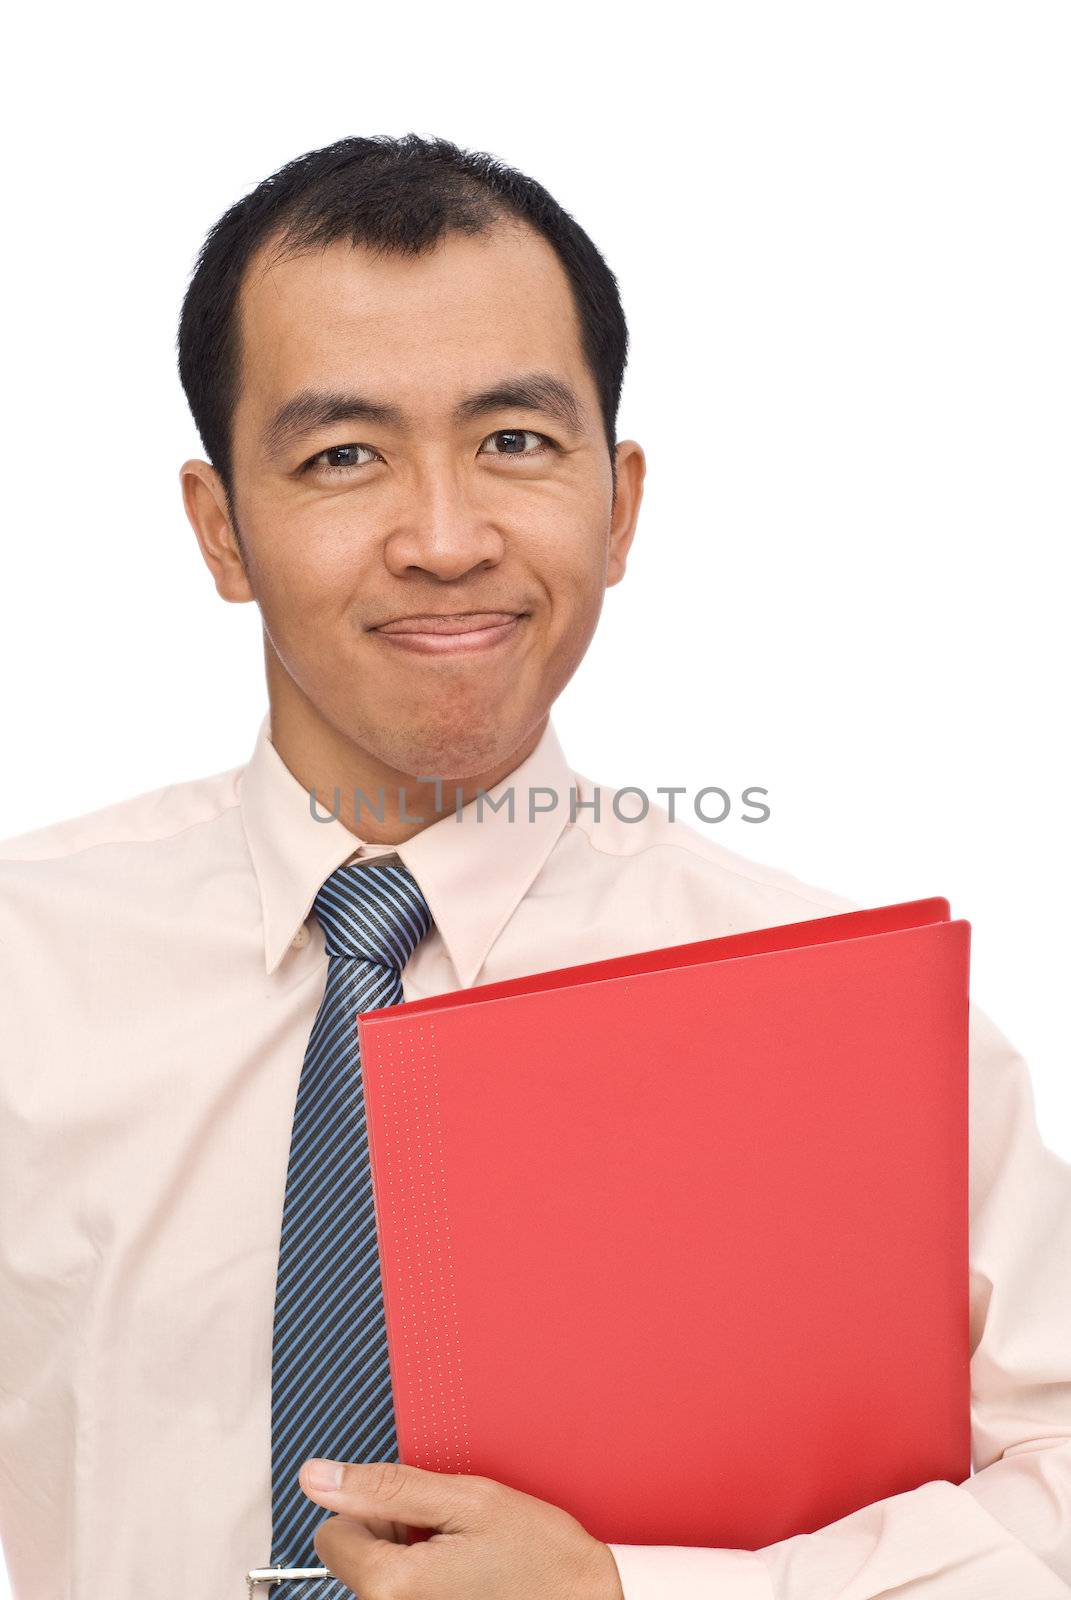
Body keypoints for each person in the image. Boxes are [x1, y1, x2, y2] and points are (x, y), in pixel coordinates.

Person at [0, 133, 1068, 1600]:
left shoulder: (861, 1025)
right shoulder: (22, 972)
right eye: (343, 456)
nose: (445, 538)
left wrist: (635, 1596)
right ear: (220, 529)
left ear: (617, 505)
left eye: (514, 442)